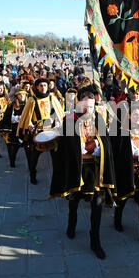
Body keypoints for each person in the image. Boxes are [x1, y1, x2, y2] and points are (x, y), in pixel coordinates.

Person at [49, 90, 116, 259]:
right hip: (76, 169)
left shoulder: (98, 119)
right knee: (74, 202)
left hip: (95, 171)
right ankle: (71, 225)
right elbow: (63, 147)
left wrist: (98, 145)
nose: (88, 110)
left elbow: (107, 143)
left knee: (97, 206)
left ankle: (95, 241)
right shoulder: (69, 121)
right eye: (85, 106)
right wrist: (79, 148)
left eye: (91, 107)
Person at [110, 102, 139, 243]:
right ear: (129, 116)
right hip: (127, 172)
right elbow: (119, 153)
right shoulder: (123, 132)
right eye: (135, 114)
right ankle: (117, 220)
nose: (138, 117)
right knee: (122, 200)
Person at [17, 77, 63, 184]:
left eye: (45, 85)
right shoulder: (32, 99)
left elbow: (58, 112)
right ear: (37, 87)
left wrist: (57, 121)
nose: (43, 88)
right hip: (38, 131)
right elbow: (26, 116)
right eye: (41, 86)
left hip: (52, 130)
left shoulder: (52, 97)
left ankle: (57, 178)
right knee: (35, 156)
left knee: (55, 156)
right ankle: (33, 174)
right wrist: (29, 124)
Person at [0, 90, 27, 167]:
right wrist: (18, 118)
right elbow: (8, 118)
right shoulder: (12, 105)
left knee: (18, 145)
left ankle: (12, 157)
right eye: (20, 95)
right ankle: (12, 160)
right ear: (17, 96)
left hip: (22, 128)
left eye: (24, 95)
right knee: (11, 144)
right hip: (13, 128)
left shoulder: (27, 105)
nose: (22, 97)